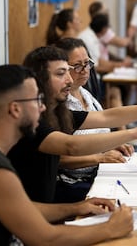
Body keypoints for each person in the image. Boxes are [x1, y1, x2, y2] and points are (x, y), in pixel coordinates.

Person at [7, 45, 137, 203]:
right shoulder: (34, 121)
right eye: (61, 74)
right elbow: (71, 146)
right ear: (39, 80)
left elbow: (107, 117)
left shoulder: (59, 112)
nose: (70, 80)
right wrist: (133, 133)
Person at [0, 64, 133, 245]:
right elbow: (47, 238)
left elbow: (21, 208)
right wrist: (111, 228)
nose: (42, 108)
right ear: (15, 109)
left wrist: (76, 207)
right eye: (37, 100)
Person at [53, 38, 130, 202]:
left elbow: (105, 120)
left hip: (100, 172)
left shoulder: (85, 93)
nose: (85, 70)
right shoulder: (59, 106)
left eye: (87, 63)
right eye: (78, 66)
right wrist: (100, 157)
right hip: (75, 184)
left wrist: (112, 144)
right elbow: (58, 160)